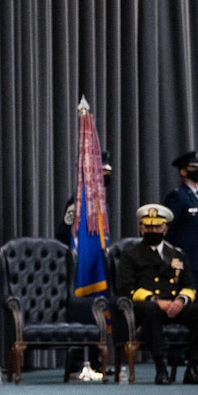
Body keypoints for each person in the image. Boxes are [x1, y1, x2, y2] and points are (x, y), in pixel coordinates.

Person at [112, 203, 198, 384]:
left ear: (165, 229)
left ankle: (192, 367)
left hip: (175, 305)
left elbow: (190, 285)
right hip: (147, 307)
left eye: (157, 227)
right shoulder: (130, 255)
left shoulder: (177, 254)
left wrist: (181, 301)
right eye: (149, 227)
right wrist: (155, 300)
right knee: (151, 310)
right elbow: (125, 288)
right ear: (141, 228)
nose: (153, 230)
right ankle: (161, 368)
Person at [56, 158, 115, 379]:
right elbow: (63, 234)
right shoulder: (78, 202)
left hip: (96, 267)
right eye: (102, 172)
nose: (106, 177)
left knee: (98, 311)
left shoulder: (100, 201)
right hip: (80, 268)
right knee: (83, 311)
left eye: (108, 172)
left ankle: (96, 360)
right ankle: (80, 362)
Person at [163, 150, 198, 299]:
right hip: (187, 259)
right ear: (183, 171)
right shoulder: (178, 196)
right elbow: (168, 230)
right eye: (194, 169)